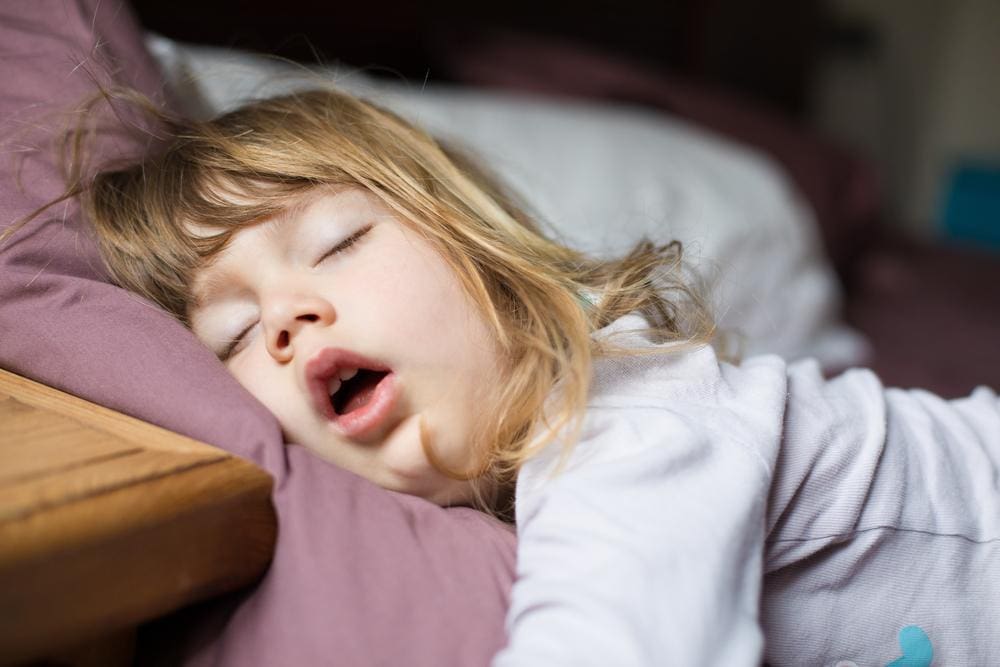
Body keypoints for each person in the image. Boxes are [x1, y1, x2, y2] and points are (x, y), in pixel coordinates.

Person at [23, 86, 1000, 665]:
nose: (286, 318)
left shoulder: (626, 418)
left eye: (338, 242)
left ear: (484, 259)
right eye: (234, 336)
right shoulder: (475, 509)